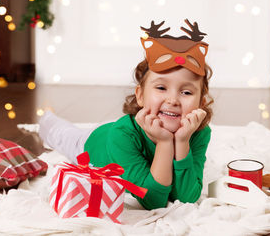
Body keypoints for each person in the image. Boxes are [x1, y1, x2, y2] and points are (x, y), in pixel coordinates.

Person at [39, 19, 214, 210]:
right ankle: (47, 116)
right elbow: (154, 201)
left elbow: (186, 197)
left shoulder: (198, 132)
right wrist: (165, 143)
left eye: (186, 92)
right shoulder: (122, 136)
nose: (173, 100)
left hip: (122, 132)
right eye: (162, 87)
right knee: (61, 134)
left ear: (201, 103)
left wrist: (181, 142)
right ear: (140, 95)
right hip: (95, 142)